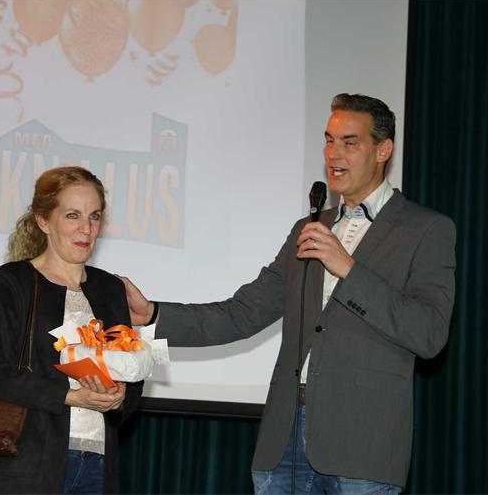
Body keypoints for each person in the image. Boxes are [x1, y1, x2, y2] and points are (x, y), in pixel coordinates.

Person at [121, 94, 456, 494]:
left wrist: (349, 270)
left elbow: (429, 333)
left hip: (362, 449)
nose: (334, 154)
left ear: (383, 150)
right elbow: (242, 314)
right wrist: (153, 314)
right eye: (329, 140)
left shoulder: (425, 229)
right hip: (284, 445)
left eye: (349, 142)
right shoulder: (310, 227)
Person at [0, 166, 142, 494]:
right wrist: (70, 396)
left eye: (94, 216)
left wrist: (119, 398)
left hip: (97, 462)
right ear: (44, 221)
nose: (86, 228)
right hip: (27, 464)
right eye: (73, 215)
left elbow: (131, 378)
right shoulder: (14, 282)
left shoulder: (111, 290)